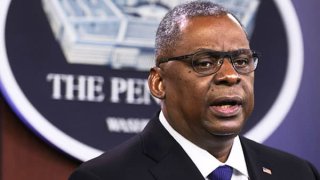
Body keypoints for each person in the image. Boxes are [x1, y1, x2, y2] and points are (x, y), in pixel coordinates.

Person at [69, 1, 319, 180]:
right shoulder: (103, 177)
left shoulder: (298, 173)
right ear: (159, 83)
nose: (231, 76)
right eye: (205, 62)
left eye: (241, 61)